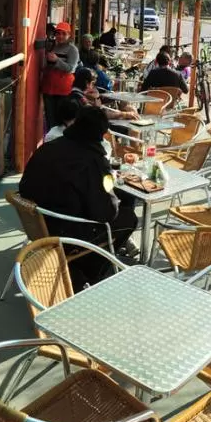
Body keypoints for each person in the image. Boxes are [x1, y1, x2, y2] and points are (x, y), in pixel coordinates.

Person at [19, 105, 137, 289]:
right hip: (66, 233)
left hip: (37, 223)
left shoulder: (47, 148)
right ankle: (89, 274)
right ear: (101, 133)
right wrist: (114, 196)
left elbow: (24, 186)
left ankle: (78, 266)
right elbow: (107, 213)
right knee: (128, 217)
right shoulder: (94, 161)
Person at [40, 22, 79, 131]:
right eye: (58, 33)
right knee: (50, 121)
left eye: (63, 34)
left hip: (64, 91)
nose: (60, 36)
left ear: (69, 35)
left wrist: (57, 60)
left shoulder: (72, 50)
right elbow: (44, 66)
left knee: (62, 121)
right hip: (48, 89)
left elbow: (71, 68)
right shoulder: (52, 46)